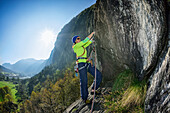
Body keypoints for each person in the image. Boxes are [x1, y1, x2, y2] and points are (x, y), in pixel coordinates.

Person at [72, 32, 102, 104]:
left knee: (97, 74)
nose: (79, 39)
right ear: (75, 41)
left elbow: (87, 43)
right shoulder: (76, 47)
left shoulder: (81, 46)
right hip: (81, 65)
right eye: (78, 38)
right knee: (84, 81)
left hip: (86, 63)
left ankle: (93, 89)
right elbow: (85, 41)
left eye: (79, 38)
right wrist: (92, 33)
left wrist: (92, 40)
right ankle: (85, 98)